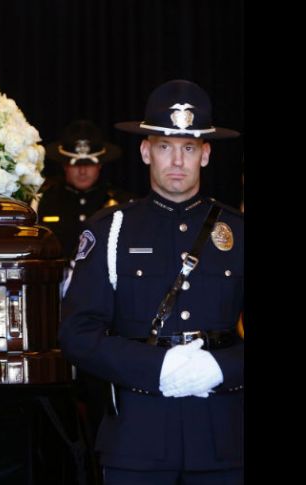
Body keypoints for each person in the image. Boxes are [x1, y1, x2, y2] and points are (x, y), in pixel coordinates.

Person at [59, 80, 243, 484]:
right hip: (136, 441)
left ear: (206, 155)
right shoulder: (111, 230)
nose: (177, 160)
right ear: (145, 151)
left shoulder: (238, 231)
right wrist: (157, 367)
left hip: (224, 439)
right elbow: (77, 334)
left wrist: (222, 368)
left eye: (189, 147)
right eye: (165, 146)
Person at [36, 120, 135, 260]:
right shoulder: (42, 201)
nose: (82, 171)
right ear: (65, 165)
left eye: (89, 164)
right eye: (75, 164)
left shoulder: (122, 203)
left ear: (100, 165)